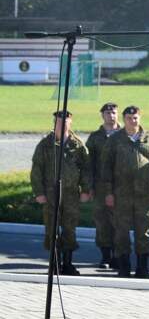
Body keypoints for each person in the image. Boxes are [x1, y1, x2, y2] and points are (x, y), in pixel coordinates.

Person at [102, 106, 149, 278]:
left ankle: (142, 267)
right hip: (121, 195)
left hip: (144, 194)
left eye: (135, 118)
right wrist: (108, 192)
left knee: (143, 232)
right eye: (129, 118)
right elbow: (106, 167)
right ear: (124, 119)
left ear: (140, 118)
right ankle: (124, 266)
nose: (133, 121)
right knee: (121, 232)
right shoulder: (115, 140)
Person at [31, 111, 90, 275]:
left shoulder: (77, 145)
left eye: (65, 122)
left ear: (71, 123)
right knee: (52, 228)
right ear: (54, 123)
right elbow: (37, 169)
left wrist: (86, 190)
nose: (62, 125)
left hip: (71, 194)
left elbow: (86, 169)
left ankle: (68, 263)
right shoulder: (45, 144)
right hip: (50, 194)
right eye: (58, 122)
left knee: (70, 228)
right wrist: (39, 192)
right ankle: (54, 263)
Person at [86, 102, 122, 269]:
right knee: (102, 222)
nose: (111, 116)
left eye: (114, 112)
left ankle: (119, 255)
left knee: (120, 221)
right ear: (102, 115)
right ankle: (106, 256)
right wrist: (89, 186)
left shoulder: (125, 134)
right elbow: (89, 164)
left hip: (122, 187)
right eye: (108, 113)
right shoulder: (95, 137)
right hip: (101, 187)